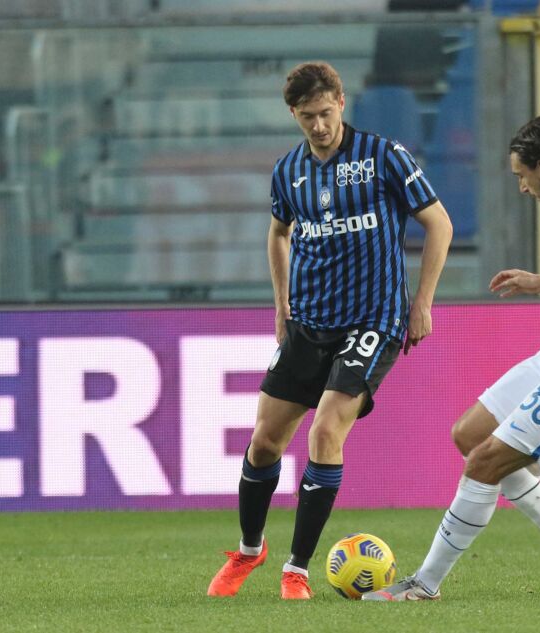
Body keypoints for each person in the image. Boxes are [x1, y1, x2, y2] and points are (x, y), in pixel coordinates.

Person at [363, 115, 540, 601]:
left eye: (522, 176)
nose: (521, 187)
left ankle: (424, 585)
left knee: (484, 463)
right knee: (470, 435)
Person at [207, 61, 453, 600]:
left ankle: (296, 569)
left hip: (374, 319)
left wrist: (423, 303)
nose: (318, 126)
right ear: (292, 114)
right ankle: (250, 550)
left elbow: (439, 223)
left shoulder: (385, 157)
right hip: (309, 322)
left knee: (324, 431)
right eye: (306, 117)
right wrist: (281, 305)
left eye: (325, 113)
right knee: (265, 441)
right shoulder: (288, 172)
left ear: (342, 101)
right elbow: (278, 234)